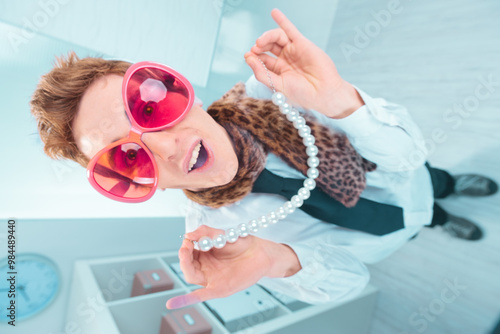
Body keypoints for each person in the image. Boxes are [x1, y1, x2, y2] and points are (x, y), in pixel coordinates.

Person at [30, 9, 497, 310]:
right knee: (418, 225)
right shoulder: (224, 240)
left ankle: (448, 188)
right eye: (129, 161)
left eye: (151, 109)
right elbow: (353, 278)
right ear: (142, 187)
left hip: (404, 176)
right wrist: (274, 260)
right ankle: (436, 222)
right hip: (389, 234)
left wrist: (339, 101)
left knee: (429, 179)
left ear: (177, 89)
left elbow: (409, 155)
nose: (169, 147)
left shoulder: (278, 92)